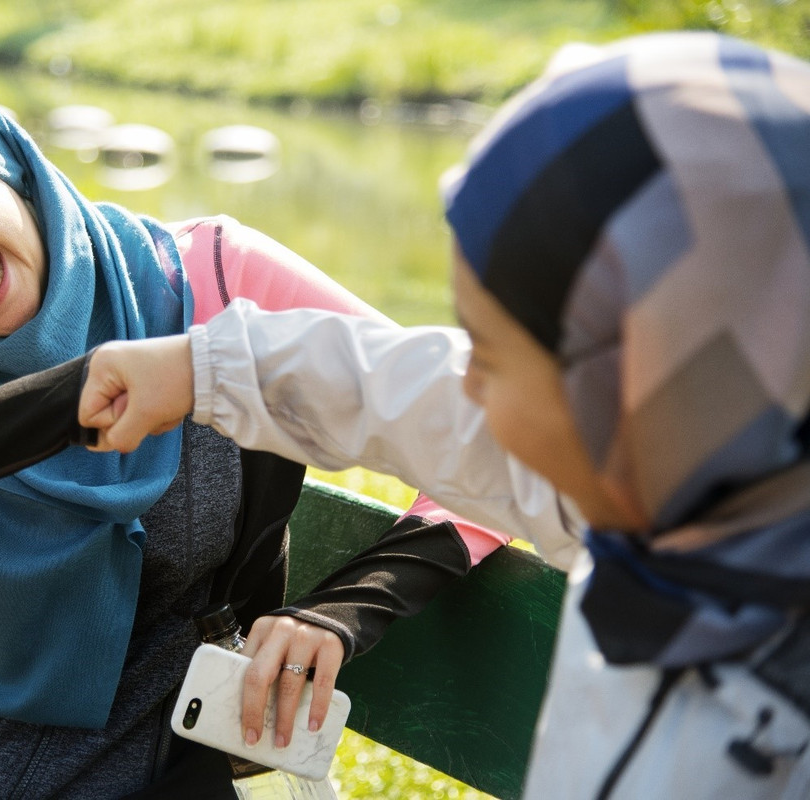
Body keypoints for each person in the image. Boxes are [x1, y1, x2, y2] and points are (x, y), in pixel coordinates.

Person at [0, 60, 509, 798]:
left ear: (2, 156)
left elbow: (488, 426)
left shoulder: (211, 278)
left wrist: (345, 608)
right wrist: (57, 403)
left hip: (177, 767)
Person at [79, 32, 810, 798]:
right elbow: (405, 393)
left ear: (628, 381)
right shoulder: (663, 490)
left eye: (487, 356)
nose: (472, 393)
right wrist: (205, 369)